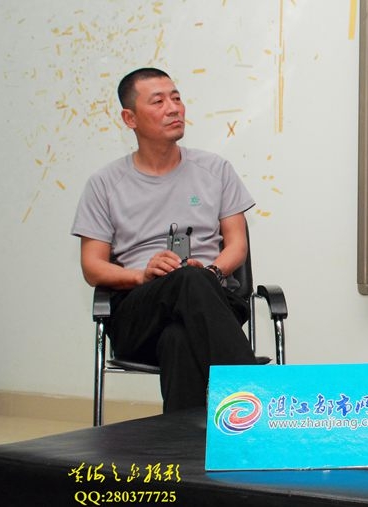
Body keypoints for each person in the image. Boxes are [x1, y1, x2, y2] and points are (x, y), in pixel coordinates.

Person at [71, 67, 258, 413]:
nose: (174, 108)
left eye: (176, 98)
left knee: (179, 336)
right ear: (130, 118)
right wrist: (141, 276)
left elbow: (237, 245)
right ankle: (258, 399)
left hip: (212, 300)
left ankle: (183, 443)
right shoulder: (104, 184)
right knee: (187, 279)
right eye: (158, 102)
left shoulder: (215, 169)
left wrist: (213, 272)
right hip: (139, 312)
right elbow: (92, 267)